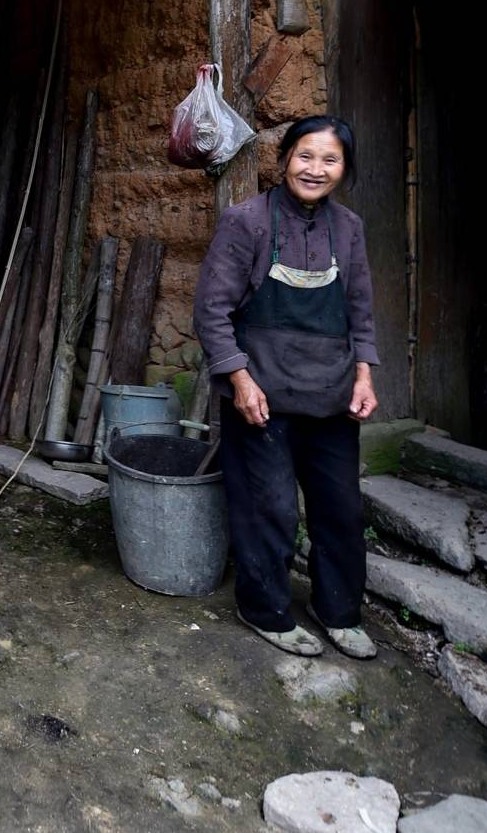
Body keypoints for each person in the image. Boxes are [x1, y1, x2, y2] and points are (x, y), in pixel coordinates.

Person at [192, 116, 380, 659]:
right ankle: (266, 609)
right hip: (262, 397)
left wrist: (364, 373)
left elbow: (360, 312)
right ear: (284, 160)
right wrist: (240, 380)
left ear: (344, 169)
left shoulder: (349, 229)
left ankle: (338, 610)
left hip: (331, 394)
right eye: (305, 156)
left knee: (340, 508)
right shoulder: (245, 222)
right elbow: (211, 310)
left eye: (330, 159)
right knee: (269, 505)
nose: (315, 169)